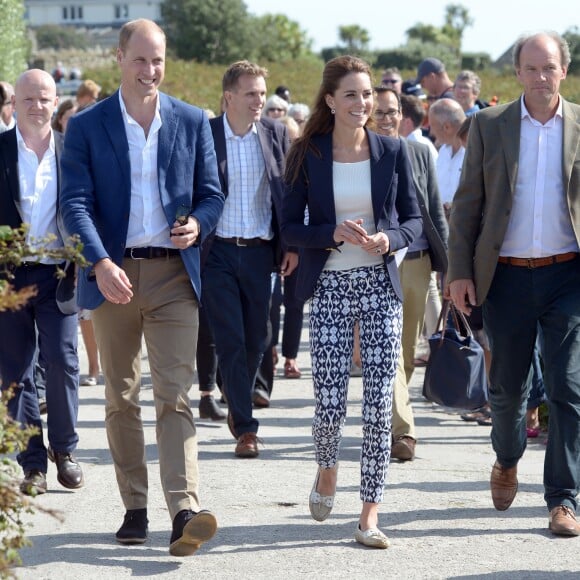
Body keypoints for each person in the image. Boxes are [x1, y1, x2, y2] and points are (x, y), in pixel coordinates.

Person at [60, 18, 225, 555]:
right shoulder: (87, 126)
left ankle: (184, 509)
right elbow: (74, 205)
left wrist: (199, 223)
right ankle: (135, 505)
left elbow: (211, 194)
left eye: (157, 60)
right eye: (140, 59)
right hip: (113, 275)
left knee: (174, 395)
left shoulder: (193, 119)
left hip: (176, 275)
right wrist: (101, 263)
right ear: (119, 58)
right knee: (120, 395)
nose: (149, 70)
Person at [281, 55, 422, 549]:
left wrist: (389, 239)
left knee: (381, 401)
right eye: (351, 94)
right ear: (330, 101)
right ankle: (326, 469)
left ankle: (369, 513)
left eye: (367, 94)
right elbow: (288, 227)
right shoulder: (308, 153)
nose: (362, 103)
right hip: (331, 287)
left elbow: (413, 219)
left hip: (380, 287)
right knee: (329, 402)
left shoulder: (392, 151)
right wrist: (329, 233)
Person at [447, 31, 580, 537]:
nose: (541, 77)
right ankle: (506, 457)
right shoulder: (489, 124)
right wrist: (459, 271)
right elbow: (468, 204)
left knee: (568, 390)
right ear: (518, 73)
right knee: (507, 392)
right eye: (532, 68)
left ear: (563, 70)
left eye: (550, 67)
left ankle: (563, 499)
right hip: (503, 276)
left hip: (568, 275)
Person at [203, 60, 298, 458]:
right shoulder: (204, 135)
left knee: (258, 339)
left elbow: (290, 194)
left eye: (262, 93)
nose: (260, 100)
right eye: (251, 93)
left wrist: (291, 245)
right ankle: (246, 428)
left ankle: (236, 390)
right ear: (229, 97)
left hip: (262, 253)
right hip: (218, 251)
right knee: (229, 339)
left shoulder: (276, 134)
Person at [0, 69, 83, 496]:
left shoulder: (72, 154)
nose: (37, 106)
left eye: (45, 99)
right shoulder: (0, 150)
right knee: (15, 374)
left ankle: (65, 451)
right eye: (28, 99)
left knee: (63, 361)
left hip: (58, 274)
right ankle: (32, 464)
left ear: (56, 102)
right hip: (9, 275)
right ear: (15, 103)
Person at [373, 86, 448, 461]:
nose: (387, 119)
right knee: (389, 353)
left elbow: (434, 210)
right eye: (380, 112)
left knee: (404, 353)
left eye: (392, 113)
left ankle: (392, 417)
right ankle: (405, 431)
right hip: (377, 266)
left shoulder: (418, 151)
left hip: (417, 262)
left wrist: (449, 269)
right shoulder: (356, 155)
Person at [428, 98, 466, 218]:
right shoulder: (444, 150)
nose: (431, 133)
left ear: (447, 127)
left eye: (432, 126)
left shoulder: (477, 150)